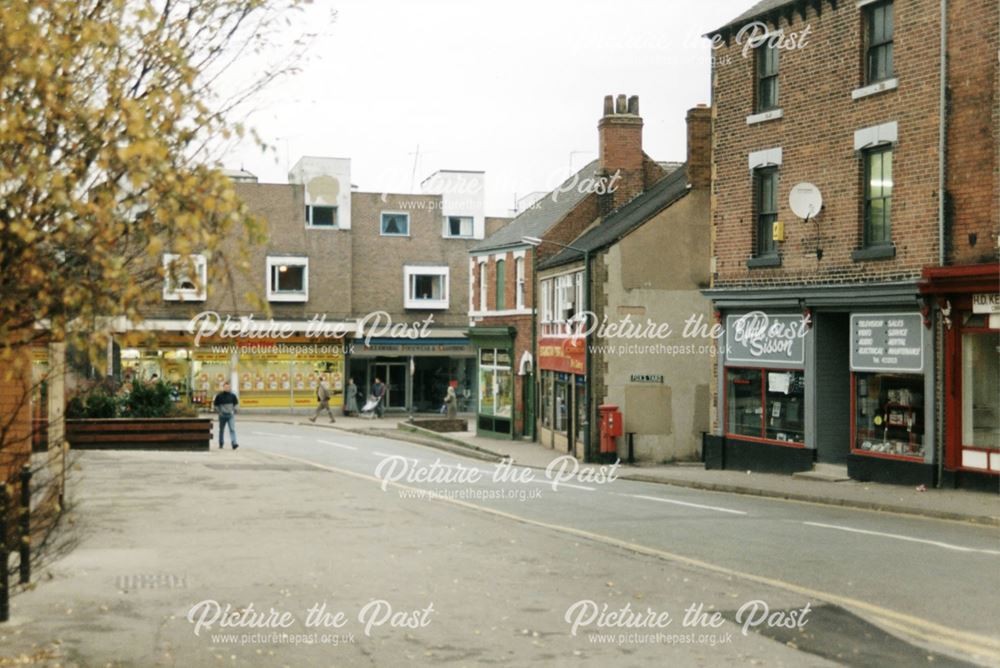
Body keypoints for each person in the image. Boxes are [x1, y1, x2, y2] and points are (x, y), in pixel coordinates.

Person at [212, 382, 239, 450]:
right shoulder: (219, 396)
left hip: (230, 416)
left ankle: (234, 443)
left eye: (228, 387)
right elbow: (215, 405)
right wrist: (219, 412)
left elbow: (236, 404)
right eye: (226, 387)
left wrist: (234, 410)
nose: (227, 388)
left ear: (230, 388)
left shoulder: (233, 396)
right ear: (223, 388)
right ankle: (221, 443)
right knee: (221, 430)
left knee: (232, 429)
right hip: (222, 416)